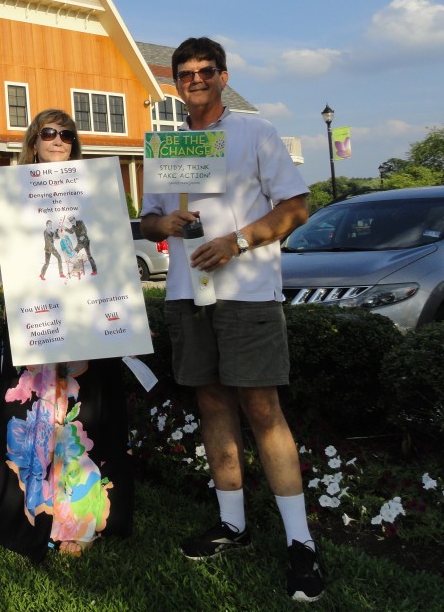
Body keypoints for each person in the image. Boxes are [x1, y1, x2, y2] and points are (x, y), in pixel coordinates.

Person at [139, 37, 324, 601]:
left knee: (262, 408)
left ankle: (300, 544)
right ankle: (233, 524)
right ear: (174, 82)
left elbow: (296, 207)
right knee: (212, 402)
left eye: (205, 71)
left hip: (246, 292)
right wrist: (162, 227)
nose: (195, 79)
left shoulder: (256, 131)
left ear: (223, 75)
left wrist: (237, 241)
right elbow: (149, 220)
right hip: (185, 293)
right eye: (185, 73)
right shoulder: (166, 146)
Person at [0, 109, 134, 561]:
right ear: (34, 142)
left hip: (86, 329)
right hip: (34, 328)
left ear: (75, 143)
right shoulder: (15, 193)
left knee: (81, 424)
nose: (58, 139)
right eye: (48, 133)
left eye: (66, 134)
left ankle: (77, 521)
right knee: (24, 422)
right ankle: (4, 513)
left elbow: (113, 259)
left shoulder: (95, 189)